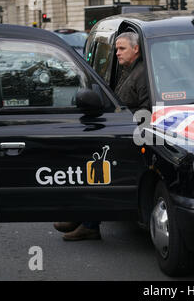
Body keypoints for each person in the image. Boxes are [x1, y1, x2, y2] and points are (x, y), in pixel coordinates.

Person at [53, 32, 149, 241]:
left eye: (122, 48)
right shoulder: (127, 70)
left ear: (136, 49)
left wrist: (124, 122)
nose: (117, 53)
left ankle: (89, 224)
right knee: (86, 167)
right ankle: (83, 216)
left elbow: (146, 111)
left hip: (130, 137)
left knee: (97, 174)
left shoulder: (142, 74)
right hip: (118, 131)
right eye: (116, 49)